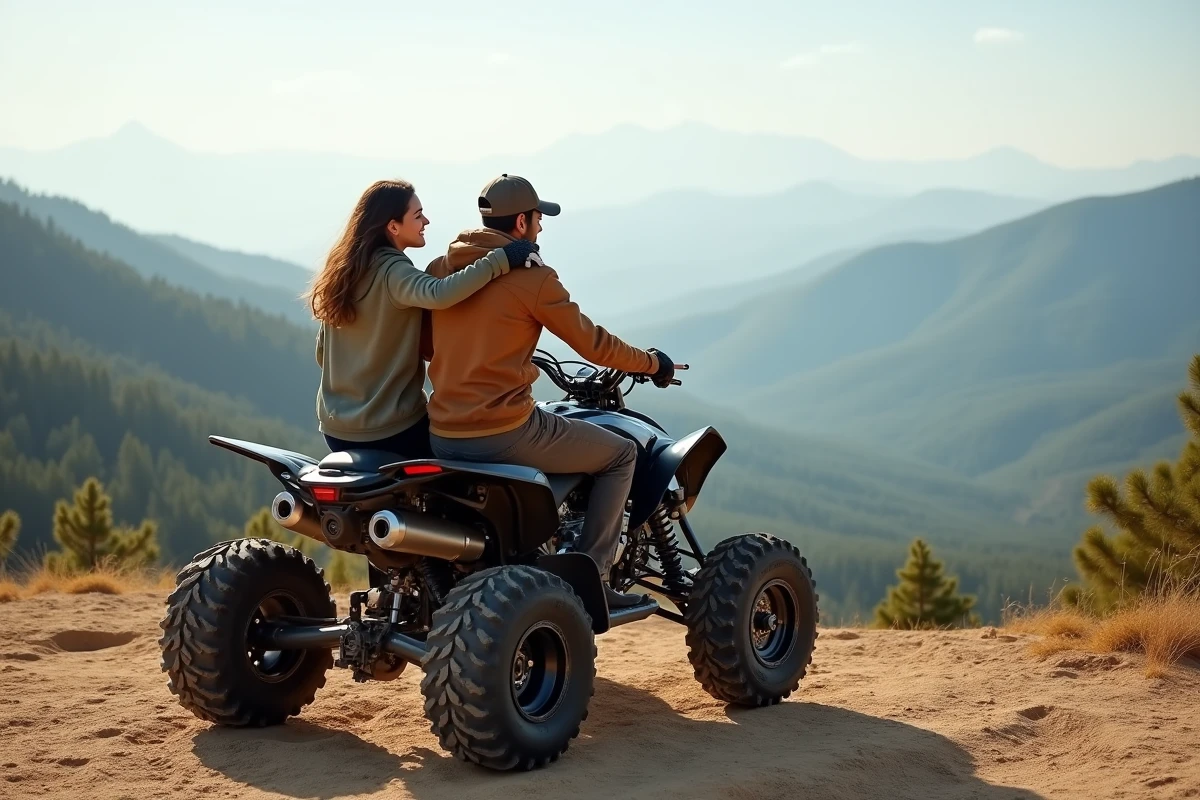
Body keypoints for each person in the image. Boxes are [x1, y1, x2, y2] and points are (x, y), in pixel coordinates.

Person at [423, 174, 676, 608]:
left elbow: (427, 346)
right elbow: (594, 345)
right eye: (539, 218)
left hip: (443, 431)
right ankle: (593, 577)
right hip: (504, 431)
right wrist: (653, 363)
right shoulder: (534, 278)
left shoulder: (442, 267)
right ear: (521, 222)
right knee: (621, 455)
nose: (541, 227)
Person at [305, 179, 538, 458]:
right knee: (468, 464)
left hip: (335, 432)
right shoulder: (393, 271)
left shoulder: (345, 272)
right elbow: (439, 293)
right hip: (391, 432)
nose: (425, 221)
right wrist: (502, 258)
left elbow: (322, 354)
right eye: (417, 216)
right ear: (393, 226)